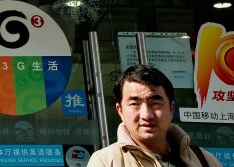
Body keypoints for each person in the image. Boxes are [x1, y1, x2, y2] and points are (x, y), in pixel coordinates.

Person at [88, 64, 222, 167]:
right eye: (135, 104)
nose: (146, 115)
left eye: (156, 103)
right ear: (120, 111)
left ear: (171, 108)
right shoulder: (106, 161)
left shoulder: (205, 160)